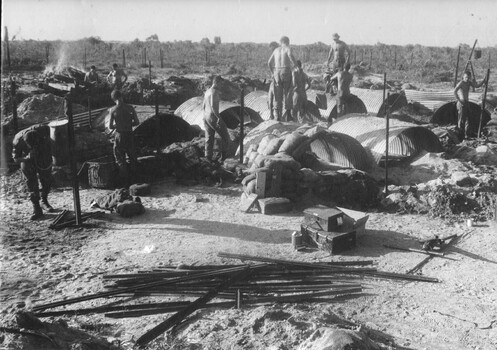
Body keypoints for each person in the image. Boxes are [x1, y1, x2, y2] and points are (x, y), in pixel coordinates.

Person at [12, 125, 54, 220]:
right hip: (27, 159)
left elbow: (52, 142)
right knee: (31, 183)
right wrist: (27, 158)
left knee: (47, 179)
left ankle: (44, 201)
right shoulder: (18, 140)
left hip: (43, 154)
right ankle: (37, 208)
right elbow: (16, 159)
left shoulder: (44, 130)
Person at [108, 90, 140, 185]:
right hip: (129, 134)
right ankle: (134, 179)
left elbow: (110, 126)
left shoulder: (112, 110)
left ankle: (125, 181)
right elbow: (137, 122)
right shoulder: (130, 108)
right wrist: (128, 124)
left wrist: (118, 125)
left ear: (113, 99)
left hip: (119, 135)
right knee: (132, 157)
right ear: (122, 96)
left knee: (120, 158)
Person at [202, 75, 232, 162]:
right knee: (225, 135)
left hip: (206, 116)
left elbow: (203, 105)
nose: (221, 86)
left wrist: (204, 116)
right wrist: (219, 118)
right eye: (220, 84)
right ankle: (223, 157)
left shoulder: (207, 91)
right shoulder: (214, 92)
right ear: (216, 82)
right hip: (212, 117)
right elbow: (213, 106)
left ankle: (208, 157)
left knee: (209, 136)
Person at [268, 36, 297, 121]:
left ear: (280, 42)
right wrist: (296, 65)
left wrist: (272, 72)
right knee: (288, 93)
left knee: (277, 95)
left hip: (276, 72)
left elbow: (269, 62)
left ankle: (277, 116)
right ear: (288, 42)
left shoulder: (276, 50)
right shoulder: (288, 48)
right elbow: (290, 55)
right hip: (285, 71)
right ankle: (288, 115)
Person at [454, 71, 486, 139]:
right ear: (463, 77)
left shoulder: (469, 83)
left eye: (468, 77)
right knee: (461, 120)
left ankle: (467, 134)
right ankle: (460, 136)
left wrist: (484, 80)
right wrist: (459, 100)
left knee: (468, 119)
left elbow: (476, 86)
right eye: (466, 77)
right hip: (461, 103)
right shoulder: (461, 83)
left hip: (466, 103)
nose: (467, 79)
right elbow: (454, 91)